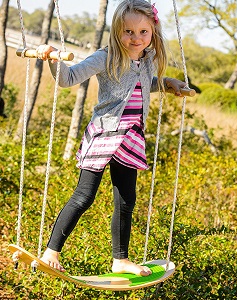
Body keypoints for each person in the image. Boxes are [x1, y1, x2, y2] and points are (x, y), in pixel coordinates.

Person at [36, 0, 189, 277]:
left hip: (131, 136)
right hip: (106, 133)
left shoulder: (148, 59)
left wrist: (167, 83)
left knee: (126, 199)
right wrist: (53, 59)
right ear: (117, 31)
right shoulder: (105, 57)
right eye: (128, 31)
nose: (136, 38)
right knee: (84, 196)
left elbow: (141, 83)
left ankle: (120, 260)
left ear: (152, 31)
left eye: (143, 31)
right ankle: (51, 252)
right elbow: (68, 78)